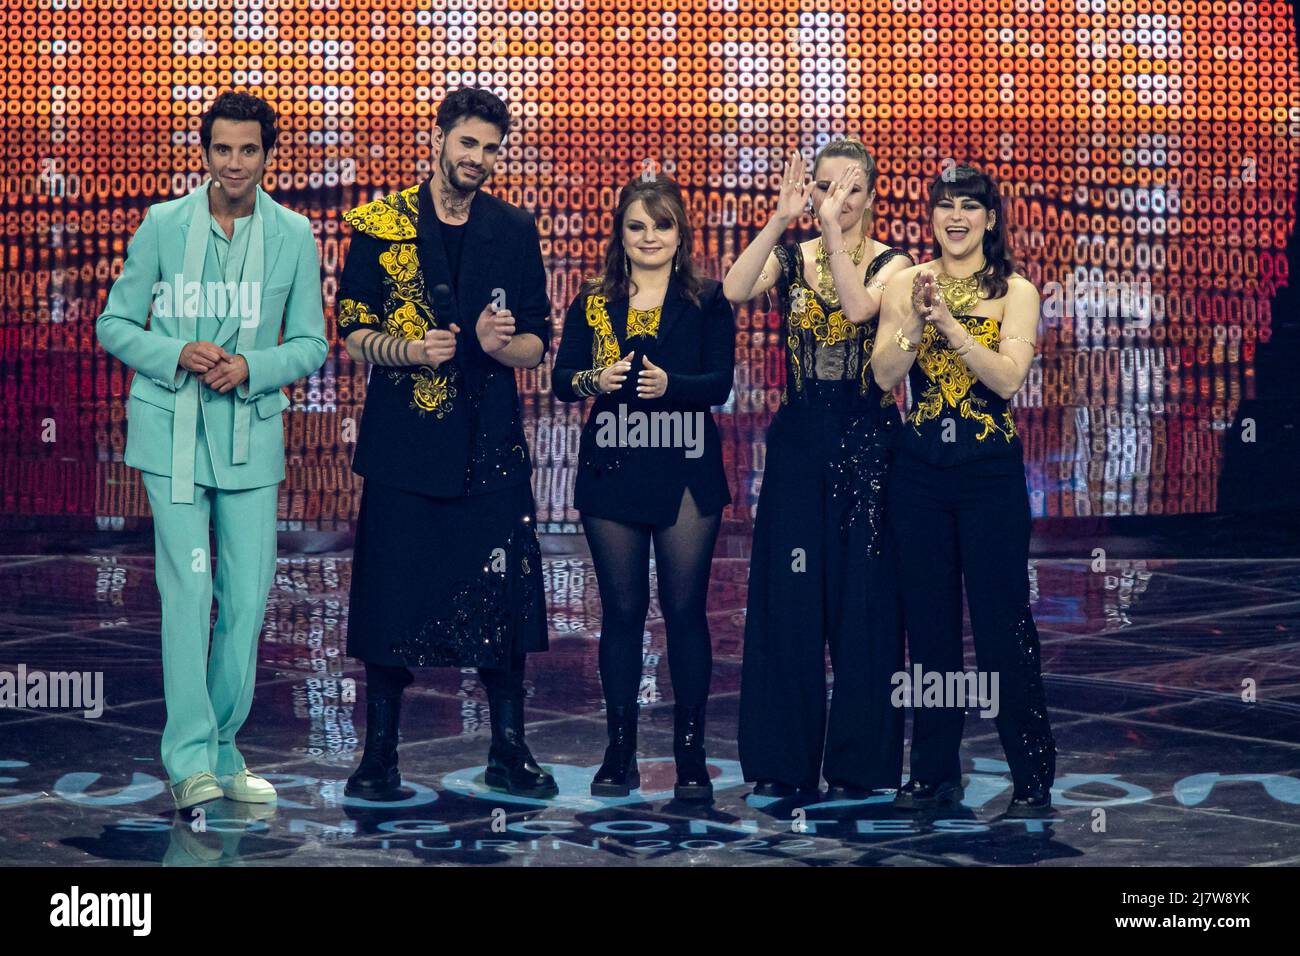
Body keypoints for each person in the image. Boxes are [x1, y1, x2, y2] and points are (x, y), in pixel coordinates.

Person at [96, 92, 328, 810]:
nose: (234, 163)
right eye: (222, 149)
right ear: (205, 152)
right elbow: (114, 323)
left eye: (248, 150)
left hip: (249, 436)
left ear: (267, 154)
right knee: (189, 592)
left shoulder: (293, 233)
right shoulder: (164, 223)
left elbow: (311, 343)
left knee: (249, 598)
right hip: (173, 435)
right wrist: (176, 352)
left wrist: (252, 367)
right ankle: (187, 756)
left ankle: (226, 751)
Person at [337, 88, 556, 800]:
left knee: (503, 597)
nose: (480, 160)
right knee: (389, 598)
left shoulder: (514, 229)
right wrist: (407, 351)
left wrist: (502, 345)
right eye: (469, 144)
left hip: (489, 445)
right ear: (439, 138)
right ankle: (379, 757)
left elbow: (536, 340)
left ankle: (508, 748)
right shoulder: (380, 224)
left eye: (492, 148)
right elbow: (352, 329)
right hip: (404, 446)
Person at [724, 138, 912, 799]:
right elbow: (733, 287)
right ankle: (783, 761)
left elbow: (861, 311)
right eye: (825, 187)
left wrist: (833, 236)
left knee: (866, 600)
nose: (837, 199)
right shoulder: (791, 256)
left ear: (869, 197)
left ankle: (861, 764)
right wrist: (779, 218)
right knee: (789, 599)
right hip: (801, 442)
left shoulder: (896, 265)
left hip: (869, 445)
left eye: (851, 188)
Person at [872, 164, 1056, 817]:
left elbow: (1007, 380)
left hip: (988, 477)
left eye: (969, 208)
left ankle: (1031, 770)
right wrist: (917, 321)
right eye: (944, 206)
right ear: (931, 217)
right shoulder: (906, 282)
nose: (956, 218)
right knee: (931, 630)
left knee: (1002, 625)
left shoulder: (1017, 289)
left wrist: (952, 326)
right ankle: (934, 770)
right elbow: (884, 372)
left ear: (990, 218)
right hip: (919, 473)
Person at [552, 174, 736, 801]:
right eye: (637, 225)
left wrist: (671, 386)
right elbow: (561, 379)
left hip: (684, 463)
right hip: (614, 465)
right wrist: (595, 379)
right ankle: (619, 752)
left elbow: (719, 383)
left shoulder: (709, 298)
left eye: (661, 224)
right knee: (622, 615)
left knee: (685, 613)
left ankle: (691, 755)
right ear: (621, 235)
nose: (649, 236)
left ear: (680, 232)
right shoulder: (594, 300)